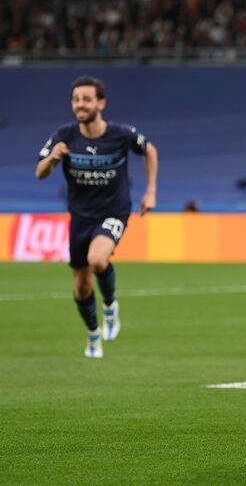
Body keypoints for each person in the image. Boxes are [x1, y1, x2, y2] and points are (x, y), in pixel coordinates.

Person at [36, 76, 159, 358]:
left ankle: (110, 306)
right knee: (81, 286)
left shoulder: (121, 134)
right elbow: (39, 172)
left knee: (97, 259)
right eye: (76, 99)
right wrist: (53, 159)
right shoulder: (64, 136)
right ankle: (93, 334)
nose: (81, 104)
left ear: (100, 103)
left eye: (87, 99)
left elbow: (149, 150)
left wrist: (150, 191)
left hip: (114, 210)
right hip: (80, 217)